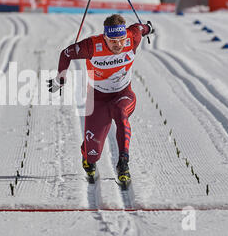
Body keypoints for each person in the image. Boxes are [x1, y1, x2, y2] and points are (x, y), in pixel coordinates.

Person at [47, 14, 154, 186]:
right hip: (98, 98)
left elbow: (142, 28)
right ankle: (88, 158)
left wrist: (149, 27)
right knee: (93, 154)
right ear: (105, 37)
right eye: (112, 41)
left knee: (120, 113)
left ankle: (123, 163)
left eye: (120, 39)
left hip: (123, 94)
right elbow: (66, 54)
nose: (117, 44)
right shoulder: (91, 46)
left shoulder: (132, 36)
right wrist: (60, 79)